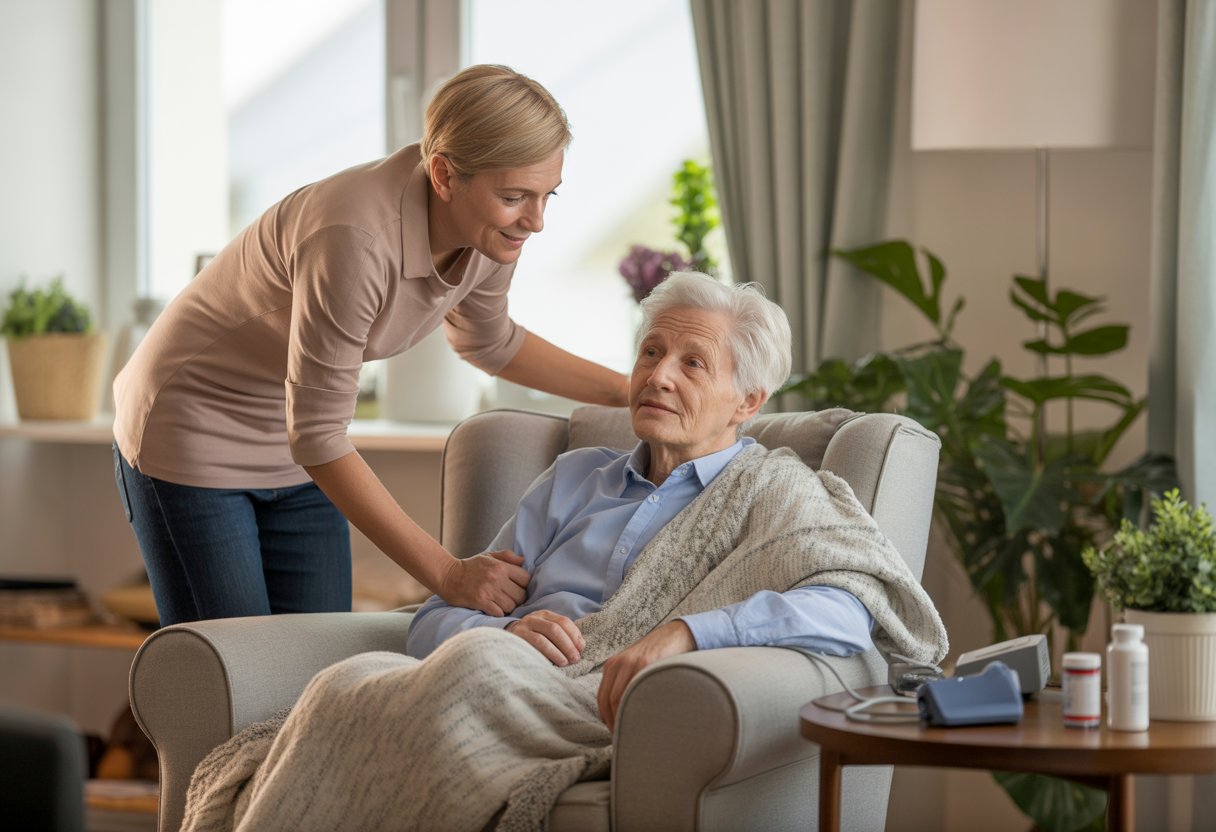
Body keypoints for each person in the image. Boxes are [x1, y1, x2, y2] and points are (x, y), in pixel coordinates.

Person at [181, 272, 948, 832]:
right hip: (494, 672)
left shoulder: (775, 491)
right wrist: (498, 632)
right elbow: (438, 620)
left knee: (467, 670)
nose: (658, 375)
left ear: (747, 403)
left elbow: (848, 612)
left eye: (692, 363)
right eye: (651, 352)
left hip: (602, 699)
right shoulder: (573, 479)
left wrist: (685, 633)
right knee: (350, 677)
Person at [112, 65, 628, 628]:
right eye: (515, 197)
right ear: (444, 175)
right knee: (228, 678)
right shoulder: (354, 238)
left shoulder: (491, 232)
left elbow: (489, 340)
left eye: (546, 194)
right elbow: (319, 434)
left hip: (298, 446)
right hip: (193, 428)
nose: (536, 220)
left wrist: (629, 390)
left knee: (311, 674)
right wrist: (449, 574)